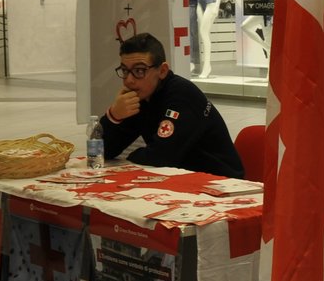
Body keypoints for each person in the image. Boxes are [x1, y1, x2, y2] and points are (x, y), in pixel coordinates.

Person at [100, 32, 244, 178]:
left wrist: (133, 155)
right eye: (125, 70)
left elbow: (160, 158)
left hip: (221, 182)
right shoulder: (140, 96)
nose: (129, 80)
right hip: (183, 179)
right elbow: (101, 152)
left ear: (162, 71)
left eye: (139, 71)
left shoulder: (181, 95)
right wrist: (114, 116)